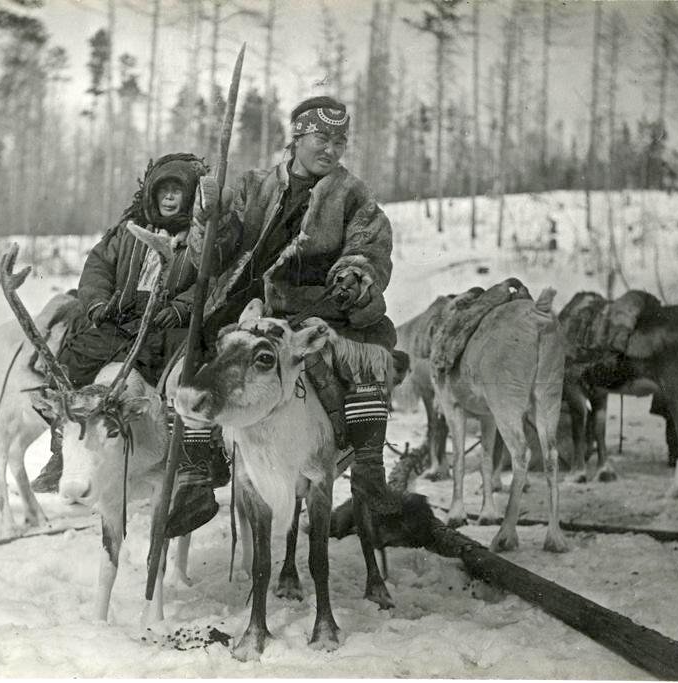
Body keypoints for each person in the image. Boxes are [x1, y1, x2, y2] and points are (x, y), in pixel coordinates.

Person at [178, 95, 401, 526]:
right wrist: (211, 218)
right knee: (189, 362)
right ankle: (195, 471)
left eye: (340, 141)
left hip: (319, 306)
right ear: (297, 137)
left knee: (367, 355)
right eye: (322, 138)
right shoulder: (252, 186)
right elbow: (217, 254)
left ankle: (370, 470)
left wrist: (354, 275)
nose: (331, 149)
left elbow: (369, 246)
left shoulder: (354, 195)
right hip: (247, 306)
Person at [31, 154, 229, 534]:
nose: (170, 199)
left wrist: (182, 309)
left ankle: (195, 458)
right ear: (151, 194)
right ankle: (64, 447)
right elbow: (97, 269)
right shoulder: (126, 232)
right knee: (71, 363)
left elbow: (211, 281)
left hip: (167, 326)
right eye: (164, 191)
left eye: (178, 192)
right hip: (118, 321)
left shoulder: (200, 239)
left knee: (184, 379)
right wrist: (98, 303)